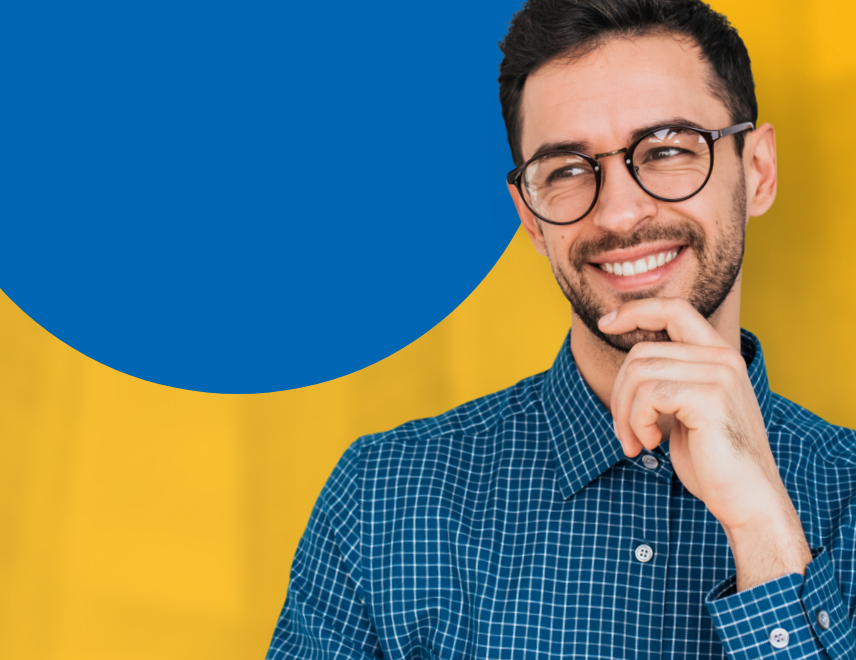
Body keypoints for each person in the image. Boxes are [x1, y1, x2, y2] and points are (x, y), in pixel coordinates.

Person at [266, 1, 856, 658]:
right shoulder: (382, 500)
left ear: (757, 171)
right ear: (530, 217)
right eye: (568, 170)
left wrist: (765, 536)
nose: (622, 212)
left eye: (665, 150)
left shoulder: (848, 495)